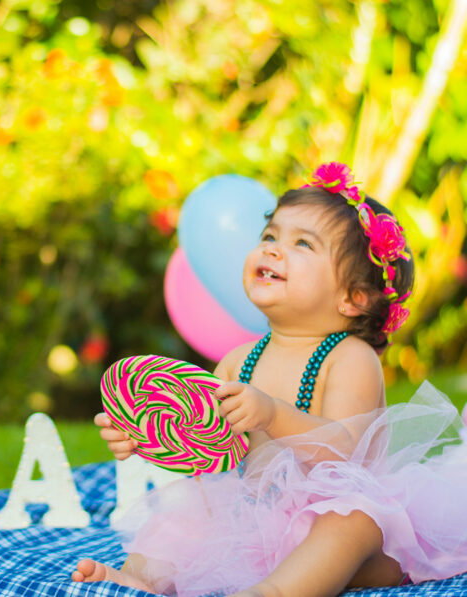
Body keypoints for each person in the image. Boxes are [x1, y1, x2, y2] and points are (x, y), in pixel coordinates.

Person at [71, 162, 467, 596]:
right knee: (184, 512)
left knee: (351, 521)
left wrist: (273, 414)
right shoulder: (238, 361)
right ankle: (141, 578)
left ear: (353, 298)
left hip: (342, 533)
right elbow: (205, 448)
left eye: (302, 244)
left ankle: (275, 592)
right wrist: (144, 435)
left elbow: (346, 454)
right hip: (254, 524)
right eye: (269, 236)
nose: (273, 250)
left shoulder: (349, 359)